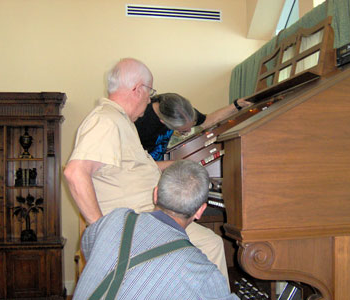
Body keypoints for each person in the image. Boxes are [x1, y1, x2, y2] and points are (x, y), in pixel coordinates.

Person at [64, 58, 229, 281]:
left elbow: (137, 168)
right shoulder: (106, 120)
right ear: (138, 89)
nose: (149, 98)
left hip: (148, 217)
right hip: (136, 224)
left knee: (208, 243)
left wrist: (179, 166)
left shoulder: (121, 122)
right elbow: (75, 173)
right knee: (210, 245)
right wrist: (101, 233)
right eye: (149, 91)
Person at [72, 160, 239, 300]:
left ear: (155, 194)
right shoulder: (201, 271)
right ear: (200, 211)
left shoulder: (115, 218)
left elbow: (89, 248)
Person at [135, 92, 253, 161]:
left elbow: (207, 121)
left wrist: (236, 105)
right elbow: (136, 165)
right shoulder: (140, 122)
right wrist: (177, 164)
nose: (189, 131)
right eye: (184, 130)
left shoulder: (179, 109)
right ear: (163, 122)